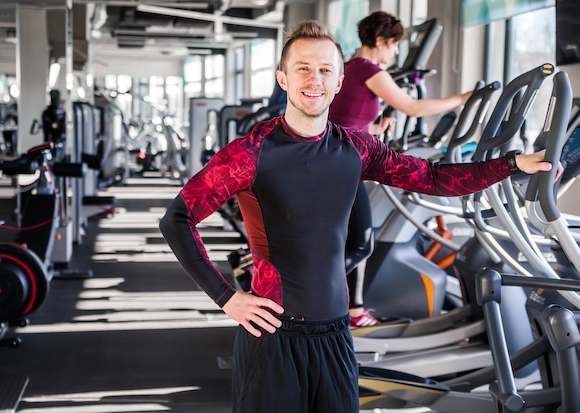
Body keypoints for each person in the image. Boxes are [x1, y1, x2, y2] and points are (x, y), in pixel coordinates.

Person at [159, 20, 555, 413]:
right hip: (273, 334)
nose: (314, 80)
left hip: (335, 333)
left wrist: (514, 164)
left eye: (325, 70)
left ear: (339, 81)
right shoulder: (250, 152)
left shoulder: (358, 148)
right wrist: (226, 298)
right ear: (283, 78)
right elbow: (177, 219)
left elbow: (434, 178)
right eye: (302, 69)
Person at [328, 10, 475, 328]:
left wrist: (376, 129)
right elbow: (414, 107)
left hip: (341, 159)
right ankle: (306, 294)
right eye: (394, 45)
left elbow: (345, 120)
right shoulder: (370, 69)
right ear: (381, 41)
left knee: (351, 241)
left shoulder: (350, 67)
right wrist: (461, 99)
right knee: (362, 243)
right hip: (344, 166)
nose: (396, 52)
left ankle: (354, 311)